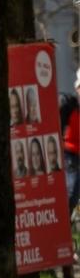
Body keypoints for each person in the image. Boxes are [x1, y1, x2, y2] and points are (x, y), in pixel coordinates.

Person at [62, 76, 80, 208]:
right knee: (72, 192)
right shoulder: (69, 105)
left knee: (75, 193)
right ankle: (64, 216)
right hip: (69, 154)